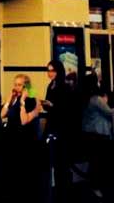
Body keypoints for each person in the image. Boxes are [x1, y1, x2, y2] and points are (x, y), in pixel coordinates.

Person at [0, 74, 43, 199]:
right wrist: (9, 99)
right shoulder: (14, 99)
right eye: (15, 84)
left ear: (25, 87)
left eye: (20, 85)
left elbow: (24, 121)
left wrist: (23, 101)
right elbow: (2, 114)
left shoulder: (30, 101)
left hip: (24, 141)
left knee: (23, 172)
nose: (16, 87)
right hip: (11, 139)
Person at [79, 71, 113, 199]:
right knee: (98, 162)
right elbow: (109, 112)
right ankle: (96, 187)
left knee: (94, 161)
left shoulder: (85, 98)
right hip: (99, 133)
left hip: (88, 133)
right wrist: (107, 101)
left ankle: (92, 186)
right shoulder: (96, 99)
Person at [43, 59, 74, 196]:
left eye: (52, 70)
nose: (50, 73)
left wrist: (53, 106)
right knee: (54, 160)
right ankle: (57, 189)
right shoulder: (50, 86)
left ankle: (64, 189)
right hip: (52, 123)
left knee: (62, 161)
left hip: (62, 127)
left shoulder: (64, 87)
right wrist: (46, 105)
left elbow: (67, 108)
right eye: (48, 70)